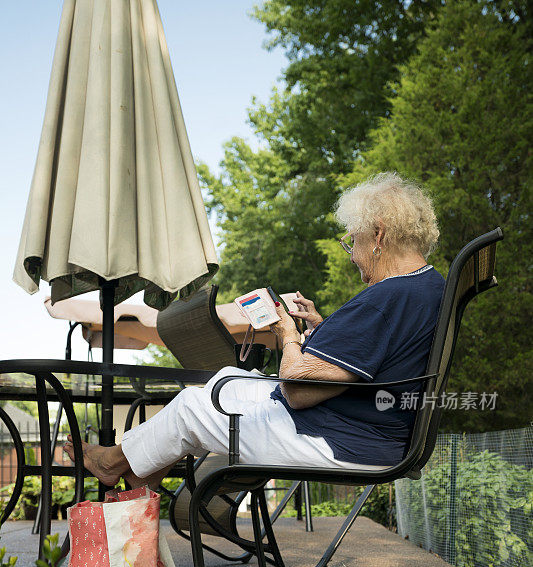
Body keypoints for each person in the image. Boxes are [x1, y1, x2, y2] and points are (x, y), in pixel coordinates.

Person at [64, 172, 445, 487]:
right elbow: (383, 357)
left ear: (378, 235)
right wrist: (325, 330)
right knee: (226, 377)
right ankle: (136, 479)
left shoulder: (387, 296)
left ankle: (113, 465)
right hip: (367, 434)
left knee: (191, 408)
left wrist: (286, 333)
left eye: (352, 241)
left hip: (341, 441)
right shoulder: (428, 286)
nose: (353, 256)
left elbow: (297, 389)